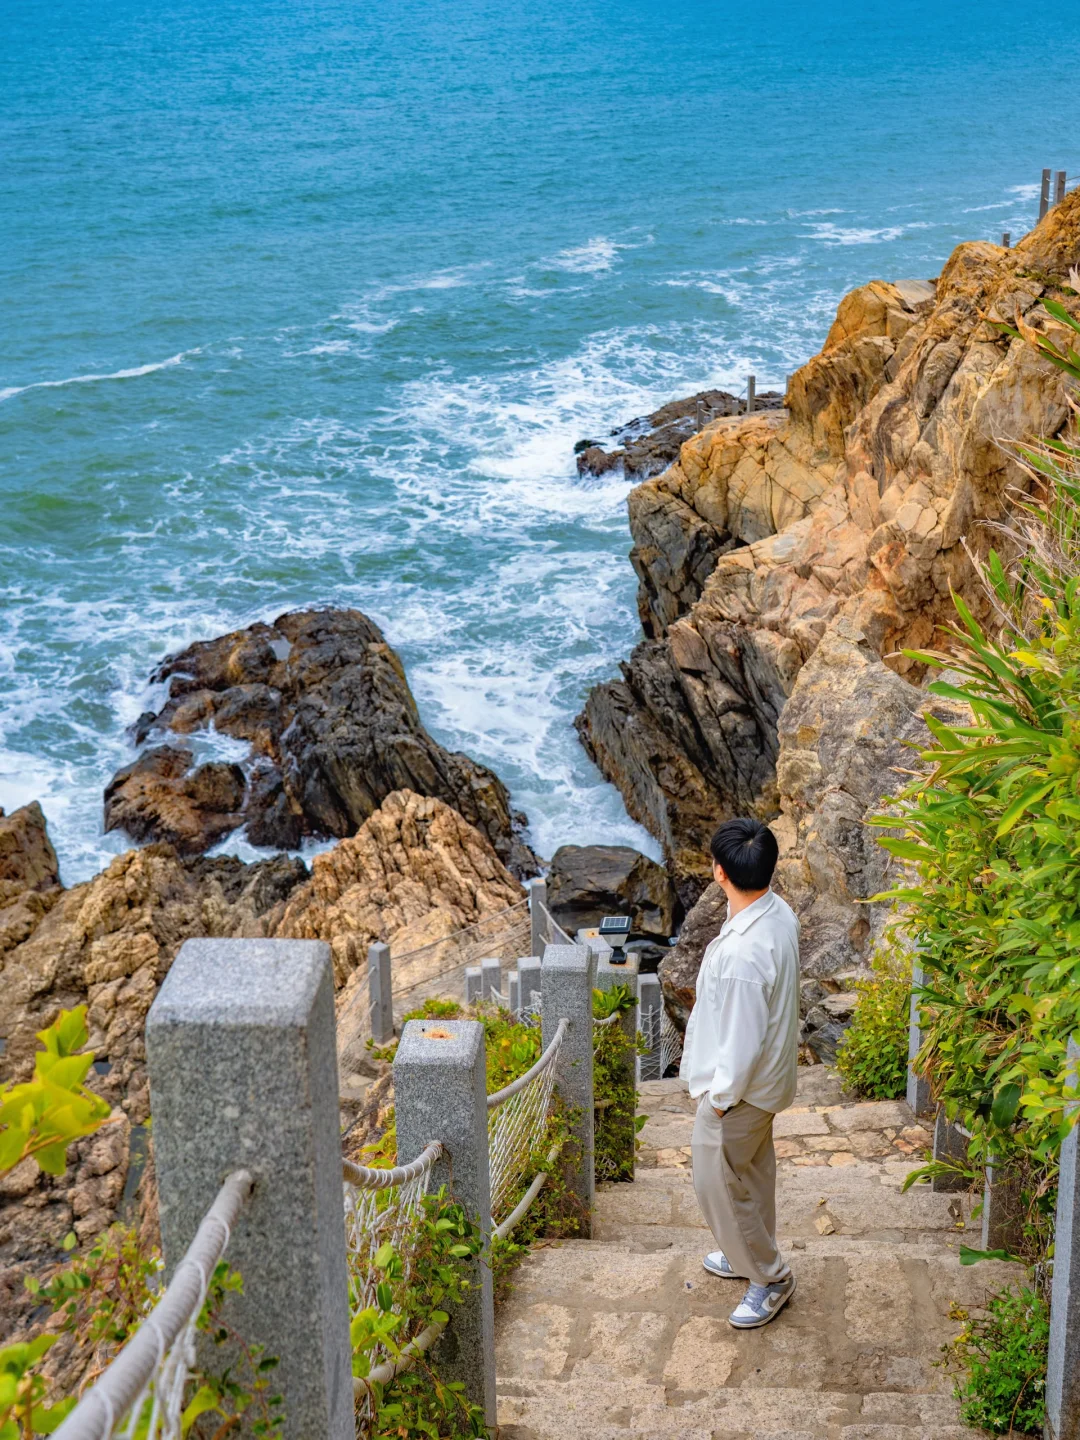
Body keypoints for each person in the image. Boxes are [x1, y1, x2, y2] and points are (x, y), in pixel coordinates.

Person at [679, 816, 800, 1329]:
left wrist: (720, 1099)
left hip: (740, 1092)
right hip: (769, 1081)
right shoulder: (778, 914)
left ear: (720, 872)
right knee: (750, 1174)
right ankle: (742, 1253)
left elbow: (743, 1041)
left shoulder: (743, 955)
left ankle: (769, 1278)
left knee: (719, 1184)